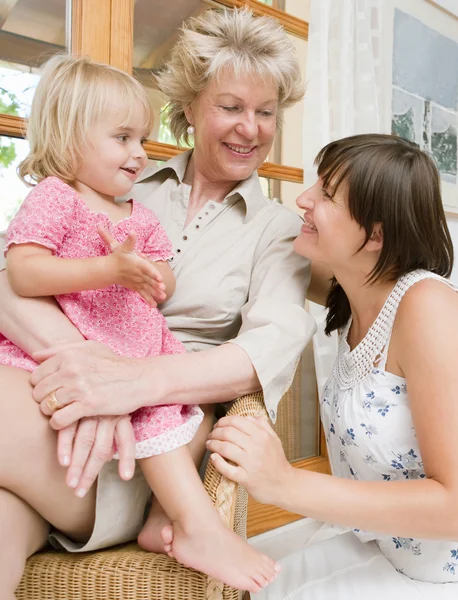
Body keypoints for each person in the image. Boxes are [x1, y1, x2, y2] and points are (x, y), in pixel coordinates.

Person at [0, 8, 315, 597]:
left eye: (266, 112)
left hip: (149, 455)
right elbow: (9, 276)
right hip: (66, 406)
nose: (251, 129)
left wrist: (136, 384)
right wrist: (95, 375)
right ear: (189, 107)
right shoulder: (113, 182)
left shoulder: (278, 230)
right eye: (231, 107)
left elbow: (263, 353)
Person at [207, 134, 458, 599]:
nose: (303, 199)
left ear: (376, 235)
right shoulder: (351, 286)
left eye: (325, 194)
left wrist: (283, 482)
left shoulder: (427, 307)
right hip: (380, 545)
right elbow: (260, 248)